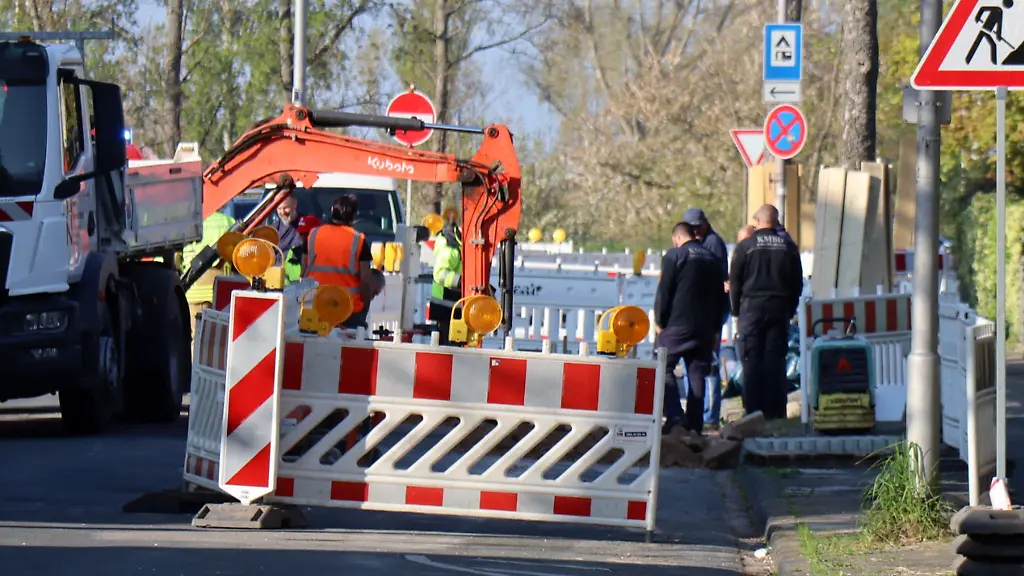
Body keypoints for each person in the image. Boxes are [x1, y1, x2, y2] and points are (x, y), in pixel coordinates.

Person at [729, 204, 804, 420]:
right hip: (779, 308)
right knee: (776, 359)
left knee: (752, 359)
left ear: (759, 222)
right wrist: (790, 308)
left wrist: (736, 311)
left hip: (751, 309)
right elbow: (797, 283)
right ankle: (776, 410)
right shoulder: (788, 247)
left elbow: (735, 282)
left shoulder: (746, 247)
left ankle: (753, 410)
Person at [654, 221, 727, 435]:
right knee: (697, 374)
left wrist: (660, 321)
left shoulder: (674, 256)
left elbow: (664, 291)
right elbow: (722, 297)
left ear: (677, 238)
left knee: (661, 367)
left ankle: (675, 416)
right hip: (705, 328)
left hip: (678, 325)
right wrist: (715, 328)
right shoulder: (712, 259)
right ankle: (695, 425)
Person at [683, 208, 729, 430]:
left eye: (698, 226)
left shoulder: (713, 244)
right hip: (698, 313)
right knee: (694, 365)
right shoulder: (701, 242)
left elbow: (716, 285)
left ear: (705, 223)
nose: (695, 230)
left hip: (709, 314)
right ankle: (698, 414)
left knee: (708, 366)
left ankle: (709, 416)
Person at [303, 195, 376, 329]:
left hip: (316, 305)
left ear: (332, 211)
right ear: (354, 215)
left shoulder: (313, 234)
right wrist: (364, 306)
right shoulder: (359, 240)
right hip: (348, 309)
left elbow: (304, 271)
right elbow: (365, 280)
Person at [181, 209, 236, 339]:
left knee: (196, 341)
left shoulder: (182, 223)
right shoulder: (227, 221)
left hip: (192, 292)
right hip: (221, 292)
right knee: (222, 342)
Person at [430, 222, 463, 345]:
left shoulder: (458, 246)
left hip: (453, 307)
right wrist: (462, 282)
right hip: (447, 307)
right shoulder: (451, 249)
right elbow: (440, 274)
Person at [283, 215, 322, 285]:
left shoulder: (324, 254)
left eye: (306, 234)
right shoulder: (294, 252)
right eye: (300, 234)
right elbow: (287, 279)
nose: (302, 238)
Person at [269, 186, 306, 257]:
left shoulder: (307, 224)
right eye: (279, 209)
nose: (282, 212)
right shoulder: (273, 230)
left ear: (295, 204)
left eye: (286, 208)